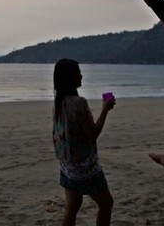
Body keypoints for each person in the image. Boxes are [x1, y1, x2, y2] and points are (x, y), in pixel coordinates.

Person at [52, 58, 116, 226]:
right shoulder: (79, 103)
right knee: (106, 203)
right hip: (84, 167)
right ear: (70, 77)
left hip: (67, 164)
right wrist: (105, 110)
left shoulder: (59, 102)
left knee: (71, 208)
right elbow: (93, 134)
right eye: (78, 72)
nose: (81, 75)